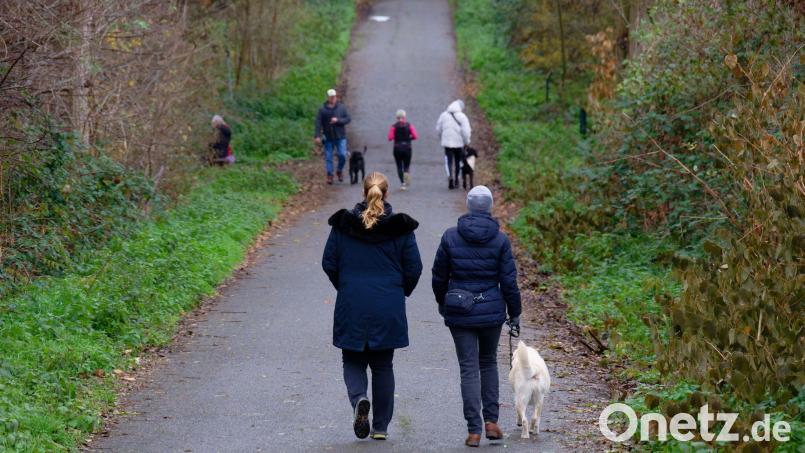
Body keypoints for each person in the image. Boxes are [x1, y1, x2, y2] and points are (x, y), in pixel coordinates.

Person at [322, 172, 423, 441]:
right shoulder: (400, 228)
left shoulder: (344, 225)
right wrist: (400, 291)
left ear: (363, 192)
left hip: (352, 301)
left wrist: (345, 285)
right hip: (387, 304)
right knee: (383, 365)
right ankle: (380, 427)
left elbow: (329, 262)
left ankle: (359, 399)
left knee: (352, 359)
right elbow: (414, 268)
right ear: (386, 193)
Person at [431, 185, 521, 447]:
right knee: (488, 362)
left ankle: (473, 431)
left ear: (469, 206)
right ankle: (491, 421)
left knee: (468, 368)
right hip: (491, 310)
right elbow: (509, 282)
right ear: (490, 207)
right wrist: (515, 312)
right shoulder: (500, 240)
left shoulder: (450, 236)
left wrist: (442, 302)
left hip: (459, 311)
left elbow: (439, 276)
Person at [314, 88, 352, 184]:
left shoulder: (341, 107)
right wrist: (317, 135)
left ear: (336, 97)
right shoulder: (322, 110)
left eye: (334, 97)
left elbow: (348, 119)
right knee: (328, 157)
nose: (333, 98)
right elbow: (318, 123)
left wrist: (338, 120)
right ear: (328, 97)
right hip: (328, 137)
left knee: (342, 155)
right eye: (331, 97)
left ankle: (339, 170)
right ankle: (330, 174)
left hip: (340, 136)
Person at [435, 100, 471, 189]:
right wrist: (466, 142)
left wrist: (441, 137)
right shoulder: (462, 117)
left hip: (447, 142)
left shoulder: (443, 115)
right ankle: (456, 179)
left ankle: (450, 176)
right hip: (459, 143)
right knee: (458, 161)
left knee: (449, 161)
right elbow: (466, 131)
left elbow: (438, 128)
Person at [387, 109, 418, 190]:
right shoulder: (409, 125)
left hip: (397, 148)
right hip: (407, 148)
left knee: (399, 166)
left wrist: (396, 137)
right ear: (405, 116)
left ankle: (402, 183)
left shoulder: (393, 127)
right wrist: (409, 138)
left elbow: (390, 138)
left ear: (396, 117)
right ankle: (406, 176)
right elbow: (415, 136)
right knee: (406, 165)